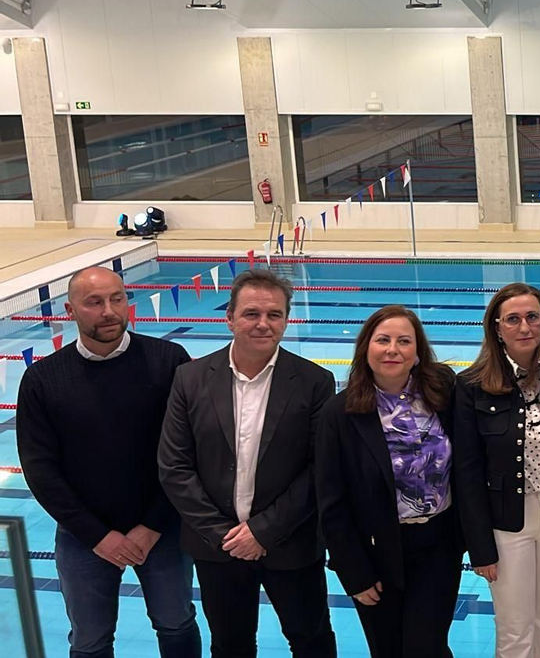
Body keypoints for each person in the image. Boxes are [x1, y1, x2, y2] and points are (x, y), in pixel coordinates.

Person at [16, 266, 202, 658]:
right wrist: (96, 536)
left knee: (176, 623)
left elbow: (188, 450)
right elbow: (39, 468)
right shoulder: (43, 379)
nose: (109, 311)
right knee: (89, 640)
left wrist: (153, 525)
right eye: (94, 302)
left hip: (161, 530)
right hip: (84, 536)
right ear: (70, 310)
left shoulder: (169, 359)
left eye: (117, 299)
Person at [159, 270, 338, 658]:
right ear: (230, 318)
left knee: (312, 641)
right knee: (231, 645)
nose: (263, 324)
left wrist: (263, 531)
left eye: (274, 315)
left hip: (291, 544)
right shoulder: (190, 379)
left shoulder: (314, 382)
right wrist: (224, 534)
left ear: (287, 320)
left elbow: (319, 469)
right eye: (251, 313)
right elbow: (174, 466)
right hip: (216, 548)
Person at [317, 305, 463, 658]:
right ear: (366, 347)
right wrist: (353, 572)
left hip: (437, 545)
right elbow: (330, 500)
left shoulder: (443, 393)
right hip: (374, 551)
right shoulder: (340, 413)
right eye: (383, 340)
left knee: (426, 646)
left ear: (417, 353)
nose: (392, 349)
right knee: (387, 649)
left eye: (404, 341)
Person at [454, 283, 540, 658]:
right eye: (513, 319)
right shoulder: (472, 386)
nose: (525, 327)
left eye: (532, 317)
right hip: (505, 522)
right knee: (514, 627)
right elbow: (467, 472)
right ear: (497, 327)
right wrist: (480, 548)